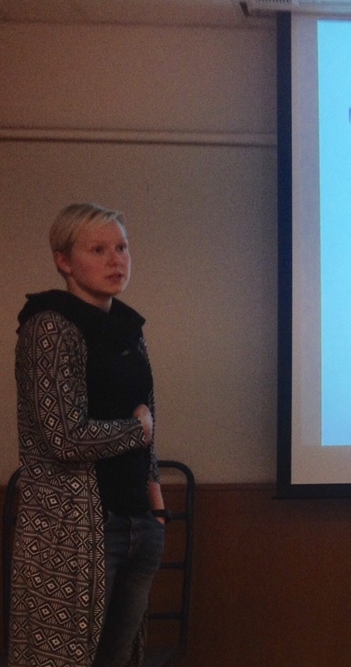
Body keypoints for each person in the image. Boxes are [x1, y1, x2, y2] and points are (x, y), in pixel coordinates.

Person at [10, 203, 166, 667]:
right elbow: (64, 438)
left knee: (118, 658)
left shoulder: (129, 328)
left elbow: (150, 420)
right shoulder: (49, 326)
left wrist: (157, 510)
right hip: (72, 530)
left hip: (137, 521)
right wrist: (134, 431)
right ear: (64, 260)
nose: (116, 260)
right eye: (98, 250)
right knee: (62, 659)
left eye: (122, 247)